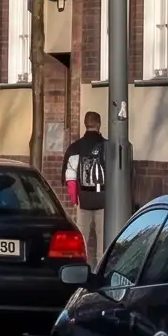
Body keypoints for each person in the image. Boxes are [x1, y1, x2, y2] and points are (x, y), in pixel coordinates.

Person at [64, 111, 110, 261]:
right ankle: (99, 270)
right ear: (98, 124)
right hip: (103, 199)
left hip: (83, 199)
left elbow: (70, 176)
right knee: (102, 240)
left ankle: (83, 267)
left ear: (85, 124)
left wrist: (74, 198)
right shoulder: (107, 146)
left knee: (81, 238)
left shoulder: (76, 147)